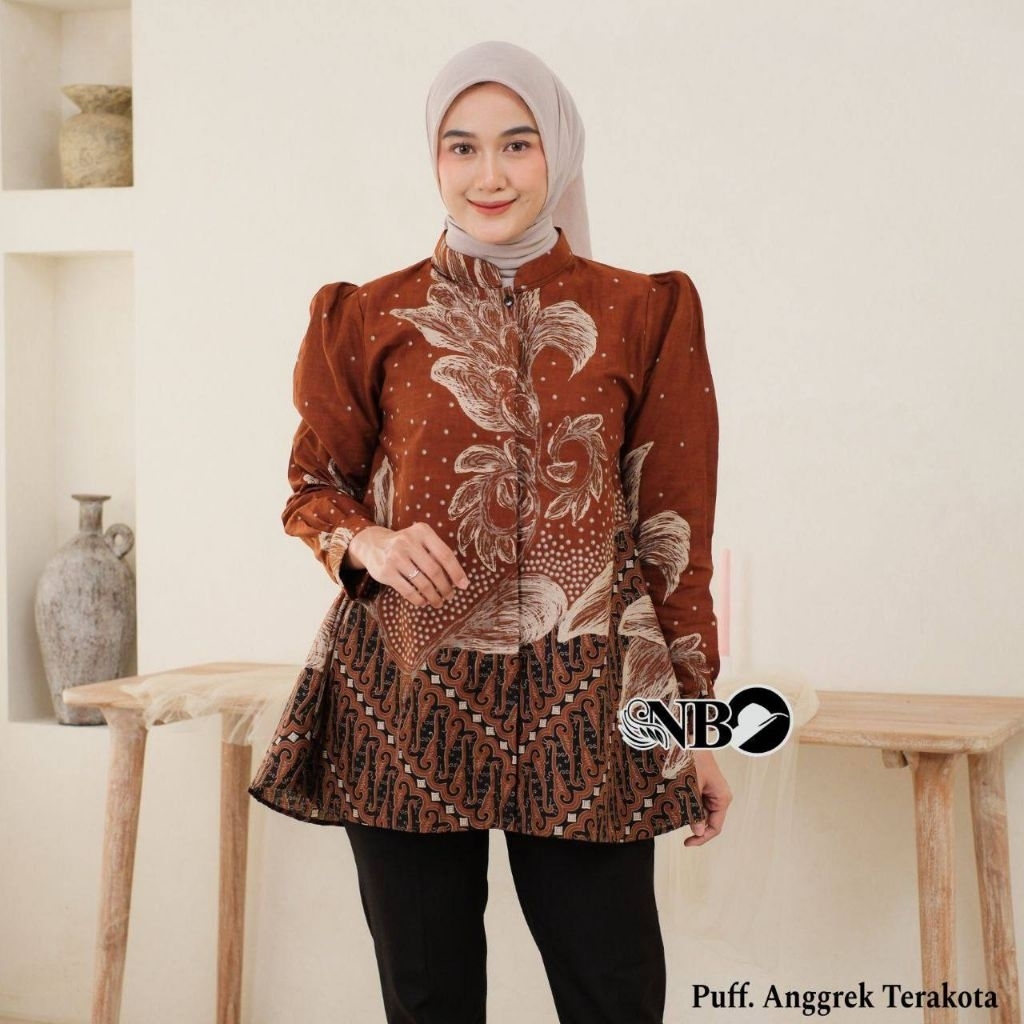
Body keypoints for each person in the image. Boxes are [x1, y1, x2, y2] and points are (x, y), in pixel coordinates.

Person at [249, 39, 732, 1024]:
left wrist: (696, 723)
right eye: (460, 147)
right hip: (406, 697)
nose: (489, 175)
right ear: (433, 159)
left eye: (517, 143)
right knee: (429, 1000)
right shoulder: (367, 315)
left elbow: (672, 535)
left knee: (615, 994)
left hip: (588, 704)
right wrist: (369, 542)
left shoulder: (642, 311)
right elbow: (314, 488)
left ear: (559, 150)